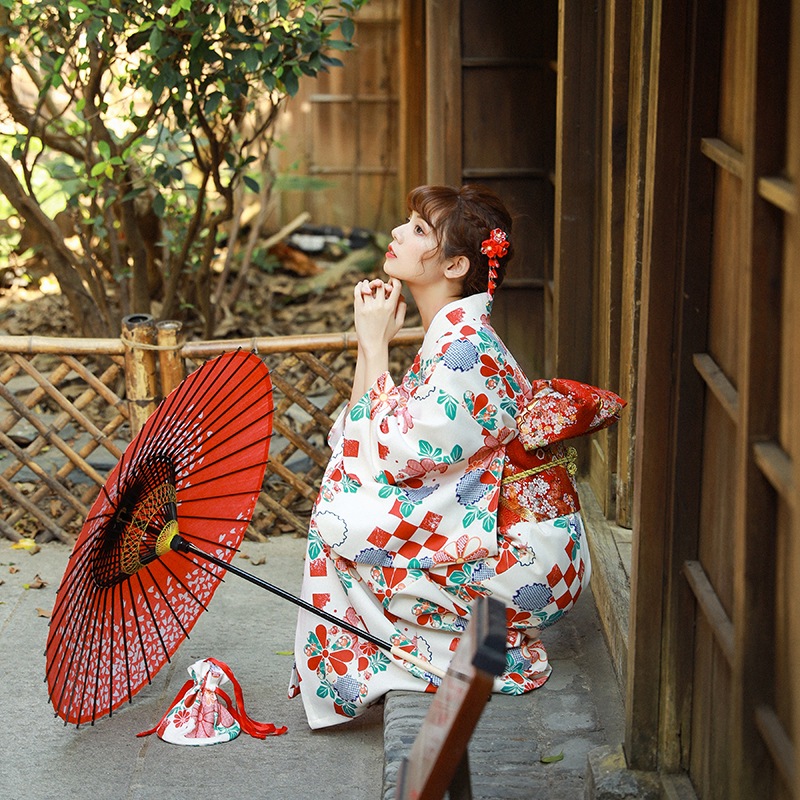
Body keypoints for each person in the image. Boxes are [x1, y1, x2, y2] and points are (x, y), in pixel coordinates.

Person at [288, 184, 624, 729]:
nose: (398, 232)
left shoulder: (465, 347)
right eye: (407, 223)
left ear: (456, 264)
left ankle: (427, 658)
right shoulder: (451, 338)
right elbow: (359, 438)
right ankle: (393, 654)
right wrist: (366, 347)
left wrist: (375, 347)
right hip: (503, 529)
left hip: (526, 555)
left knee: (341, 523)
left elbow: (396, 455)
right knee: (343, 504)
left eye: (419, 230)